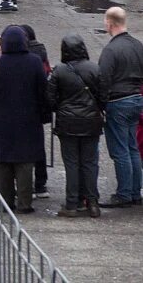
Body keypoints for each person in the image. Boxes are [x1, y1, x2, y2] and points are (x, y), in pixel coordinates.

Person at [0, 25, 50, 213]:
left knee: (2, 163)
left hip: (0, 120)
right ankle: (24, 203)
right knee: (25, 163)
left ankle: (5, 201)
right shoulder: (34, 62)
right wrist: (43, 114)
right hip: (28, 121)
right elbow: (42, 91)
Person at [48, 33, 105, 217]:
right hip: (91, 121)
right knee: (90, 163)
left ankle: (72, 203)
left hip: (67, 122)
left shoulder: (59, 70)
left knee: (71, 163)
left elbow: (50, 98)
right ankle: (92, 202)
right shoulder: (95, 69)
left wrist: (61, 108)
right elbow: (104, 96)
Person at [99, 5, 143, 207]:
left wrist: (101, 104)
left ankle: (124, 194)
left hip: (118, 102)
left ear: (110, 23)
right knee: (133, 147)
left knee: (120, 151)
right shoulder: (138, 45)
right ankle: (135, 192)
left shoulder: (110, 50)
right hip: (136, 100)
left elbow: (103, 79)